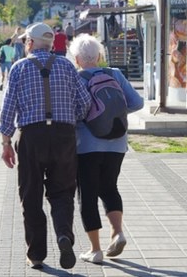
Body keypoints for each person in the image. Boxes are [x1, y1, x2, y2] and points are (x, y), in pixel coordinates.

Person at [0, 23, 91, 270]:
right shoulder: (67, 66)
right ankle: (63, 235)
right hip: (63, 135)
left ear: (29, 43)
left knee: (31, 195)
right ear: (50, 44)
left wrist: (6, 142)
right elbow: (85, 103)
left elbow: (8, 110)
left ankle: (36, 254)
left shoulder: (19, 68)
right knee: (62, 192)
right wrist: (70, 120)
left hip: (31, 136)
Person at [69, 34, 144, 263]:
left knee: (88, 195)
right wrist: (113, 115)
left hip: (87, 145)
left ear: (77, 58)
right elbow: (137, 103)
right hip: (117, 143)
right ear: (99, 56)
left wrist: (92, 121)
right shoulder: (115, 74)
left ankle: (95, 250)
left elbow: (74, 112)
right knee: (110, 188)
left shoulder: (76, 78)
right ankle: (118, 233)